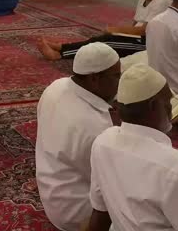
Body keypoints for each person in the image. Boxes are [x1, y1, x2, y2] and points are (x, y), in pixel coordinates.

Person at [87, 63, 178, 231]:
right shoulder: (174, 166)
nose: (171, 108)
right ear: (153, 106)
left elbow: (100, 211)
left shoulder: (102, 142)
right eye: (168, 101)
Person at [36, 43, 121, 231]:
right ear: (95, 79)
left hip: (51, 195)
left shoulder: (55, 87)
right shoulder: (95, 126)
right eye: (116, 76)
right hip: (79, 214)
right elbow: (109, 184)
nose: (119, 82)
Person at [39, 0, 170, 61]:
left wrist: (116, 30)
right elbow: (135, 24)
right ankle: (61, 47)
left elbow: (143, 31)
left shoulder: (160, 1)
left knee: (103, 45)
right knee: (98, 40)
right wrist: (120, 34)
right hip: (135, 38)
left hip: (145, 44)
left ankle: (60, 54)